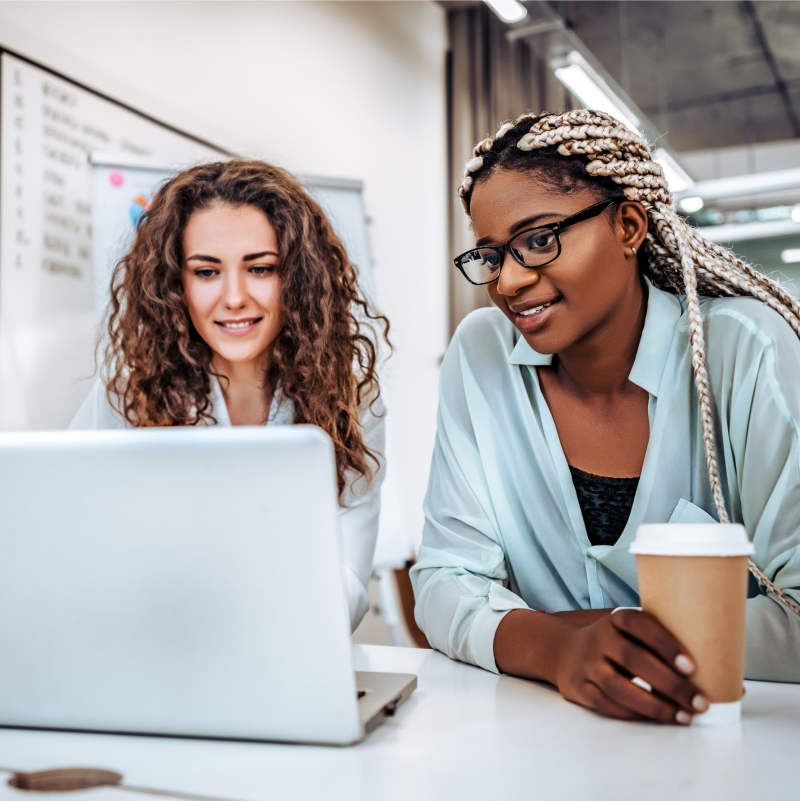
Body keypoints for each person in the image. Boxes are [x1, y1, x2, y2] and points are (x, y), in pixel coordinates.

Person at [412, 109, 800, 725]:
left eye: (540, 239)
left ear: (627, 226)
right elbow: (442, 581)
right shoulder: (480, 353)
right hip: (545, 738)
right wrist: (559, 650)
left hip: (729, 742)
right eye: (490, 255)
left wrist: (589, 632)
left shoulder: (746, 352)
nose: (509, 281)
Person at [71, 160, 389, 633]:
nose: (235, 296)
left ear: (298, 279)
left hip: (292, 653)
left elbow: (346, 585)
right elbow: (73, 548)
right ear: (175, 284)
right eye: (206, 272)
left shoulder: (352, 400)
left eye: (260, 268)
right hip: (148, 651)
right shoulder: (127, 392)